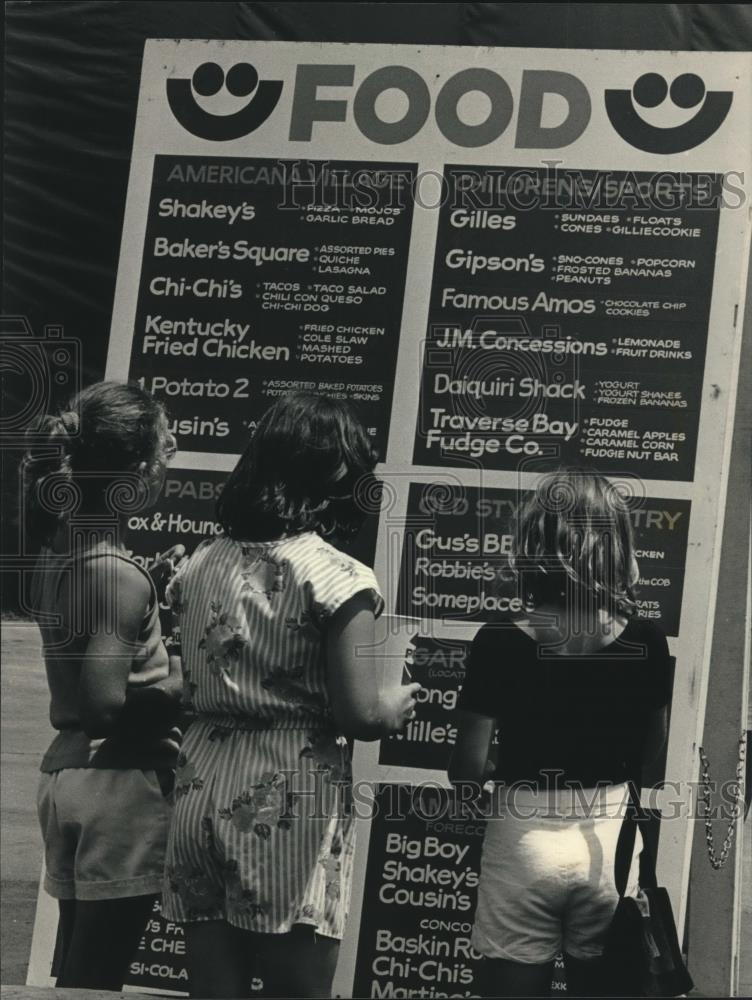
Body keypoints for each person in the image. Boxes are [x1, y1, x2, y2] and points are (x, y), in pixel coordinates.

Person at [162, 392, 420, 999]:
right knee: (295, 988)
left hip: (199, 783)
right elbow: (360, 714)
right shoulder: (338, 577)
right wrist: (395, 703)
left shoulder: (201, 562)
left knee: (213, 987)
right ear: (335, 471)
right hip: (288, 798)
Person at [448, 470, 672, 999]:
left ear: (533, 544)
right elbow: (653, 767)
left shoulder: (497, 642)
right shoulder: (646, 640)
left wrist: (497, 762)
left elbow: (465, 770)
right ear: (616, 545)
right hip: (609, 852)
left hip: (521, 845)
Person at [23, 381, 183, 989]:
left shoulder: (62, 556)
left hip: (68, 779)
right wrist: (191, 665)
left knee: (76, 969)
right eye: (164, 453)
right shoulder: (118, 575)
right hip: (119, 784)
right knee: (96, 976)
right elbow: (103, 708)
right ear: (140, 471)